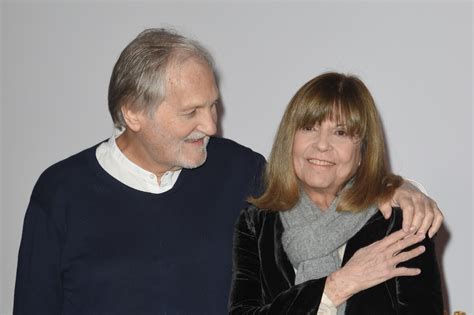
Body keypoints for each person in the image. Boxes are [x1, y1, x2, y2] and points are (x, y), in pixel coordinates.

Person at [14, 29, 441, 314]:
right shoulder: (61, 192)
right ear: (133, 113)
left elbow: (322, 178)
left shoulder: (239, 171)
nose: (211, 126)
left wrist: (402, 188)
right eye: (191, 112)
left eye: (212, 104)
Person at [228, 72, 443, 314]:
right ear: (289, 140)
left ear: (363, 151)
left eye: (340, 133)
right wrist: (339, 285)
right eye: (309, 127)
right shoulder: (255, 224)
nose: (321, 144)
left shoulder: (400, 223)